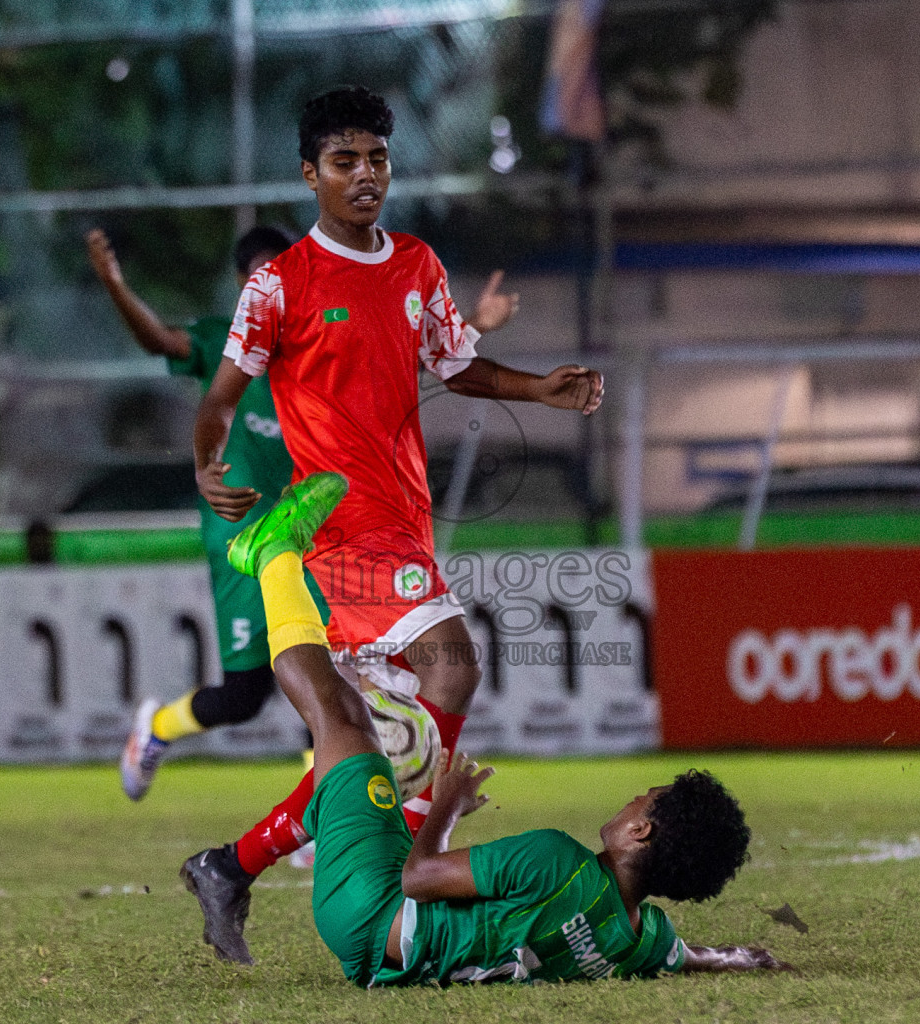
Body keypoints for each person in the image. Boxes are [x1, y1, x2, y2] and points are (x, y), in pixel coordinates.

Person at [190, 85, 595, 900]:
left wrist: (537, 390)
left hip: (407, 520)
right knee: (453, 667)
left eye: (376, 158)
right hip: (342, 525)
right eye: (345, 161)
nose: (365, 174)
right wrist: (209, 465)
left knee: (368, 736)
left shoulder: (415, 262)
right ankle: (411, 861)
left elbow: (457, 367)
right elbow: (221, 397)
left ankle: (231, 866)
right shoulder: (280, 285)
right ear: (312, 174)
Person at [180, 473, 790, 982]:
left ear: (640, 830)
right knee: (376, 775)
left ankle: (272, 555)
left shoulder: (557, 860)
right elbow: (686, 956)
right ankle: (233, 865)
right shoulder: (633, 941)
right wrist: (739, 958)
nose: (633, 796)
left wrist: (444, 807)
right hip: (384, 959)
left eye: (645, 798)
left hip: (368, 912)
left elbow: (419, 879)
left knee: (344, 720)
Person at [90, 224, 520, 806]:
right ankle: (158, 727)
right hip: (243, 534)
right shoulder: (227, 341)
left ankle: (325, 813)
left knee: (332, 668)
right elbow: (161, 342)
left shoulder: (323, 330)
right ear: (248, 283)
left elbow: (399, 364)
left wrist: (474, 327)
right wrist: (116, 286)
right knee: (246, 695)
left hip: (317, 528)